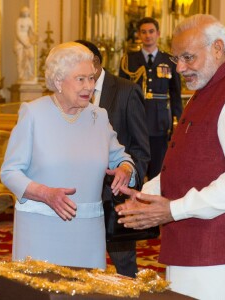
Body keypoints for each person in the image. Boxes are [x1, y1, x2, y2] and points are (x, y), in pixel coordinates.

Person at [115, 14, 225, 300]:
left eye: (188, 57)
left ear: (217, 48)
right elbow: (188, 164)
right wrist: (145, 195)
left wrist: (174, 209)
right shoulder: (204, 90)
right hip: (188, 245)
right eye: (177, 58)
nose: (180, 68)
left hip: (216, 253)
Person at [0, 42, 136, 270]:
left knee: (85, 293)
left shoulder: (98, 116)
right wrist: (45, 193)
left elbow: (123, 158)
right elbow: (9, 172)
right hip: (40, 231)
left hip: (88, 233)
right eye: (80, 79)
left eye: (92, 78)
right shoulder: (33, 113)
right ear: (58, 82)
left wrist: (125, 170)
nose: (89, 86)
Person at [76, 40, 151, 278]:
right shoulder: (67, 94)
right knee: (79, 263)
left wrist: (128, 181)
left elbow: (140, 149)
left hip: (115, 194)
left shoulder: (126, 90)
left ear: (95, 63)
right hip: (77, 196)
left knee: (124, 264)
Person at [119, 17, 182, 180]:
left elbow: (175, 94)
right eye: (144, 32)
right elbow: (121, 92)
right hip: (135, 118)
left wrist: (178, 121)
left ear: (158, 34)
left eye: (151, 31)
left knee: (157, 168)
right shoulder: (128, 60)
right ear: (139, 35)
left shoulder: (169, 61)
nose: (148, 36)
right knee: (135, 165)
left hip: (159, 121)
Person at [14, 6, 37, 83]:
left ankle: (29, 75)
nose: (25, 13)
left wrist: (36, 37)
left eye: (27, 11)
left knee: (30, 57)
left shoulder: (29, 20)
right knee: (20, 59)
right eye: (24, 11)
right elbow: (17, 33)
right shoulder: (19, 21)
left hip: (27, 40)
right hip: (20, 41)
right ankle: (21, 76)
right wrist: (24, 43)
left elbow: (32, 31)